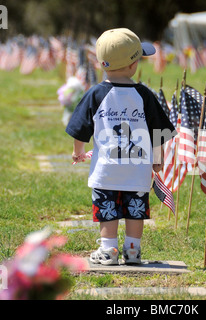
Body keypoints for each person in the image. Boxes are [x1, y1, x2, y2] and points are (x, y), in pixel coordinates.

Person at [65, 28, 176, 265]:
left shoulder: (95, 94)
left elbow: (79, 127)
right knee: (136, 208)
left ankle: (109, 250)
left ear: (101, 63)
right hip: (137, 169)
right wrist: (157, 159)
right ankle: (133, 249)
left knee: (107, 210)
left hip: (106, 170)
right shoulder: (144, 95)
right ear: (134, 64)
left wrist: (77, 152)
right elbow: (159, 130)